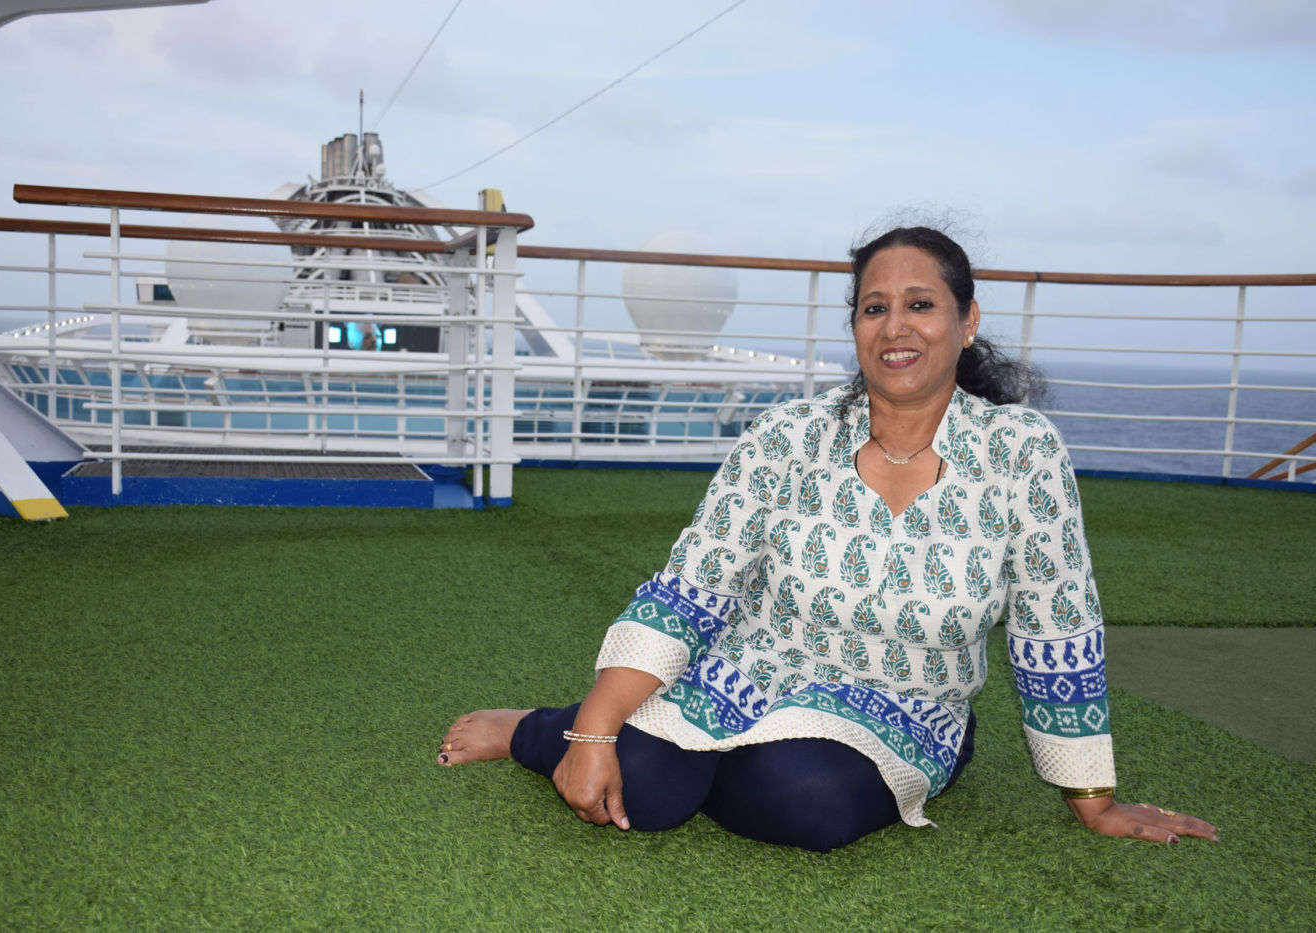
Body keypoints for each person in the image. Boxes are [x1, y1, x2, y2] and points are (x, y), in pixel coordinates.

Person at [437, 226, 1218, 852]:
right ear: (856, 327)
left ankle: (685, 758)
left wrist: (1094, 798)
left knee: (805, 800)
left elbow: (1056, 625)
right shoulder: (787, 436)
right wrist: (595, 729)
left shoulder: (1022, 453)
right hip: (749, 675)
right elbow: (690, 591)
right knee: (634, 781)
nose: (896, 326)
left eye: (920, 304)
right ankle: (540, 727)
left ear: (967, 320)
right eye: (874, 308)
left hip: (905, 709)